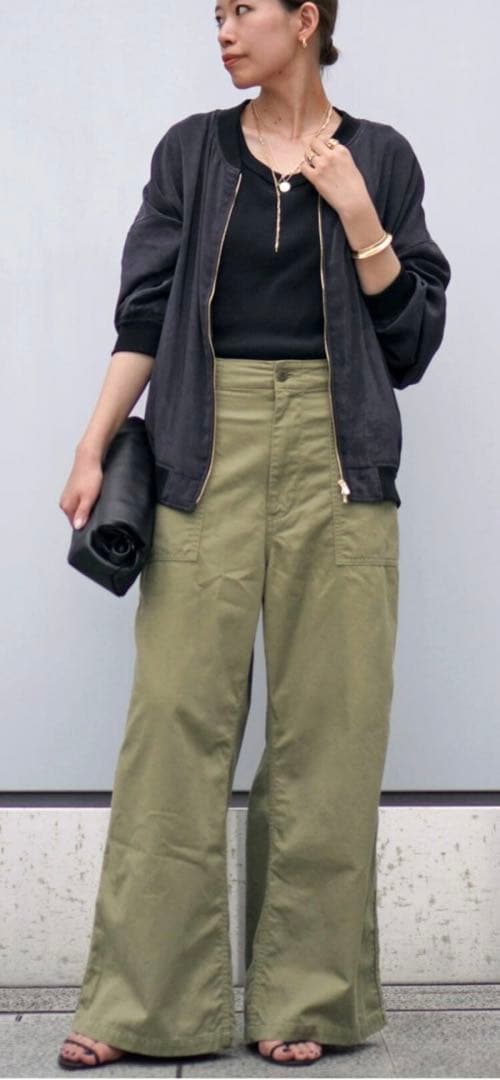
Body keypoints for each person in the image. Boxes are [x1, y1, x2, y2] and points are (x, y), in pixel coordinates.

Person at [57, 0, 451, 1069]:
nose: (224, 30)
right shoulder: (190, 153)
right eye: (218, 13)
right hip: (203, 446)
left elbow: (412, 343)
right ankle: (143, 1005)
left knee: (330, 730)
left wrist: (360, 215)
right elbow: (143, 316)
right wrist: (92, 446)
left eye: (244, 9)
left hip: (340, 454)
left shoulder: (381, 158)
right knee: (173, 723)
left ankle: (304, 1000)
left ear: (305, 19)